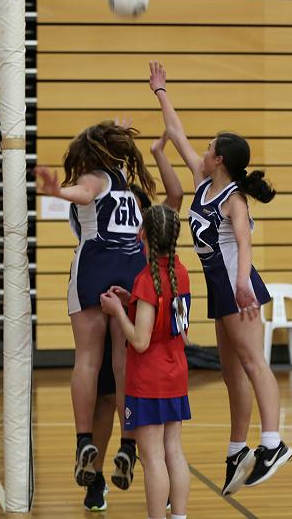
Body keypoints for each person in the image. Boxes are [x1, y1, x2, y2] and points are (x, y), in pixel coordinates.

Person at [148, 60, 292, 495]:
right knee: (232, 372)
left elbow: (244, 243)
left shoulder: (235, 199)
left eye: (210, 147)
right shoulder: (203, 180)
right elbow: (176, 132)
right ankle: (237, 450)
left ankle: (274, 443)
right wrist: (160, 92)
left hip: (238, 285)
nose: (203, 149)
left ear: (221, 160)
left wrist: (244, 282)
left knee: (253, 363)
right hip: (221, 288)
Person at [34, 120, 157, 487]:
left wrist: (57, 191)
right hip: (130, 273)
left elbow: (85, 193)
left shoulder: (95, 178)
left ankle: (84, 440)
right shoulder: (129, 189)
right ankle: (128, 443)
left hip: (95, 268)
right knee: (123, 366)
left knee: (87, 360)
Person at [83, 131, 186, 511]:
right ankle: (103, 475)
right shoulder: (177, 269)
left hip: (141, 352)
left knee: (146, 441)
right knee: (114, 407)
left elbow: (175, 197)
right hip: (166, 360)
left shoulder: (149, 266)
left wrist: (157, 153)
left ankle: (123, 461)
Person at [101, 204, 191, 519]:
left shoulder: (146, 279)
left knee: (152, 458)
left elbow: (140, 341)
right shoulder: (181, 272)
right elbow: (167, 319)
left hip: (149, 379)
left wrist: (118, 311)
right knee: (174, 452)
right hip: (175, 373)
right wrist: (133, 303)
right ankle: (179, 516)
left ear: (142, 235)